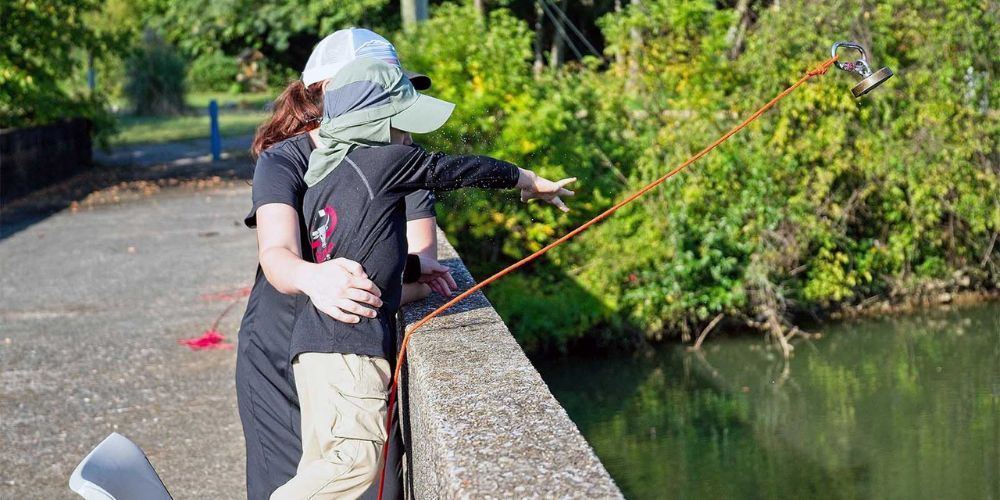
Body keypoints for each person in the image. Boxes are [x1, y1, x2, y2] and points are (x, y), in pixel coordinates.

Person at [271, 57, 575, 499]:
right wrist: (524, 178)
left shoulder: (328, 173)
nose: (410, 138)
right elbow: (453, 169)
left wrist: (413, 268)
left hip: (315, 348)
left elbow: (354, 244)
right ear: (372, 124)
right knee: (355, 464)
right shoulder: (380, 161)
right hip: (349, 349)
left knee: (324, 464)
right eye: (402, 124)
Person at [235, 29, 452, 500]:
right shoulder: (284, 160)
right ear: (328, 93)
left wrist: (405, 276)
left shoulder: (402, 158)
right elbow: (276, 256)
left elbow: (420, 261)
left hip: (357, 344)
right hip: (278, 351)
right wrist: (315, 277)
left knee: (368, 482)